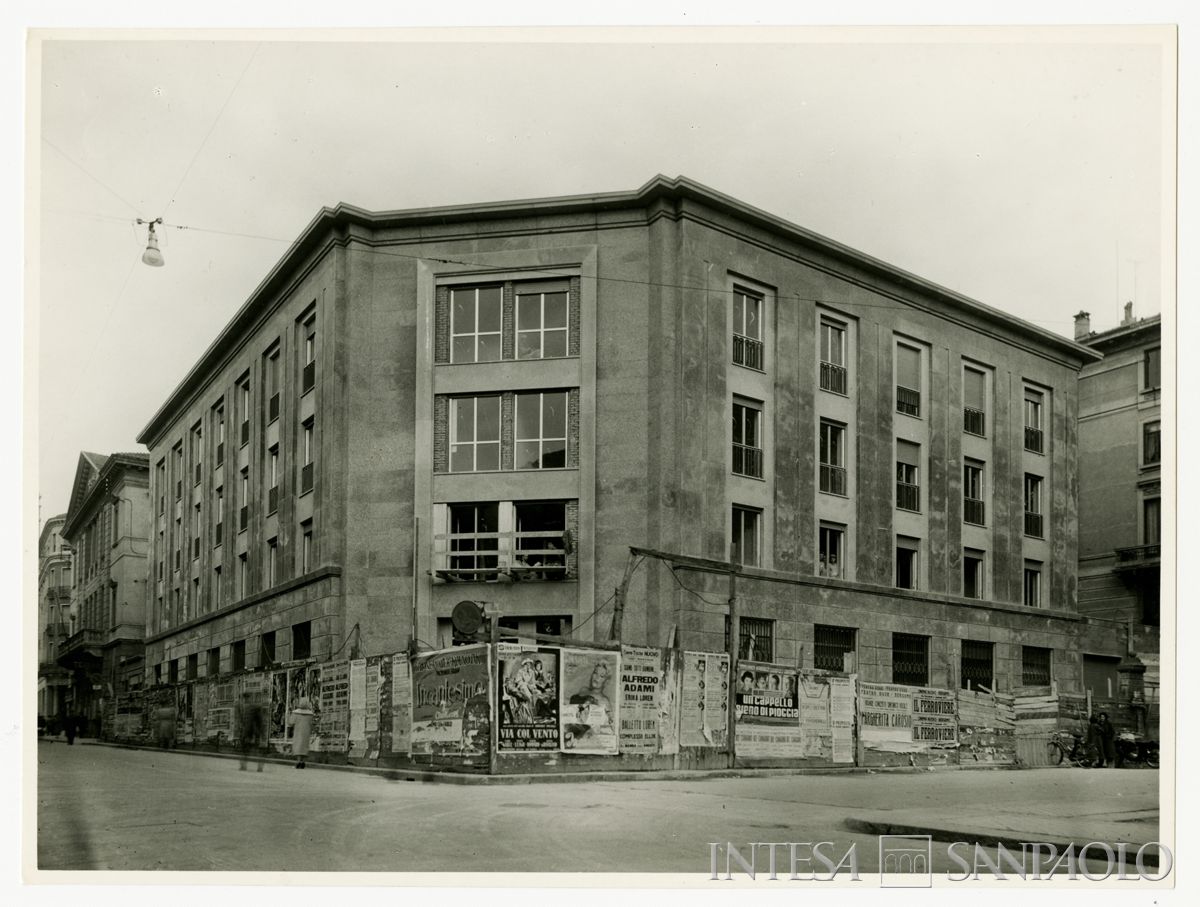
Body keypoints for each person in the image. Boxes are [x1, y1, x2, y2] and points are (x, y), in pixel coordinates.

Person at [236, 692, 266, 772]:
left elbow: (248, 723)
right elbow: (261, 722)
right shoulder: (255, 707)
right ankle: (260, 767)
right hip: (256, 732)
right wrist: (262, 734)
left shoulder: (248, 708)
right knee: (257, 749)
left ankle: (243, 766)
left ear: (244, 698)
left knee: (245, 749)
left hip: (249, 732)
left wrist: (245, 734)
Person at [290, 695, 315, 769]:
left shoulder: (295, 713)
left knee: (298, 745)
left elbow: (291, 722)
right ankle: (303, 762)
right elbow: (312, 723)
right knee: (304, 746)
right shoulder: (310, 714)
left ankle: (298, 762)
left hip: (298, 731)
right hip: (306, 732)